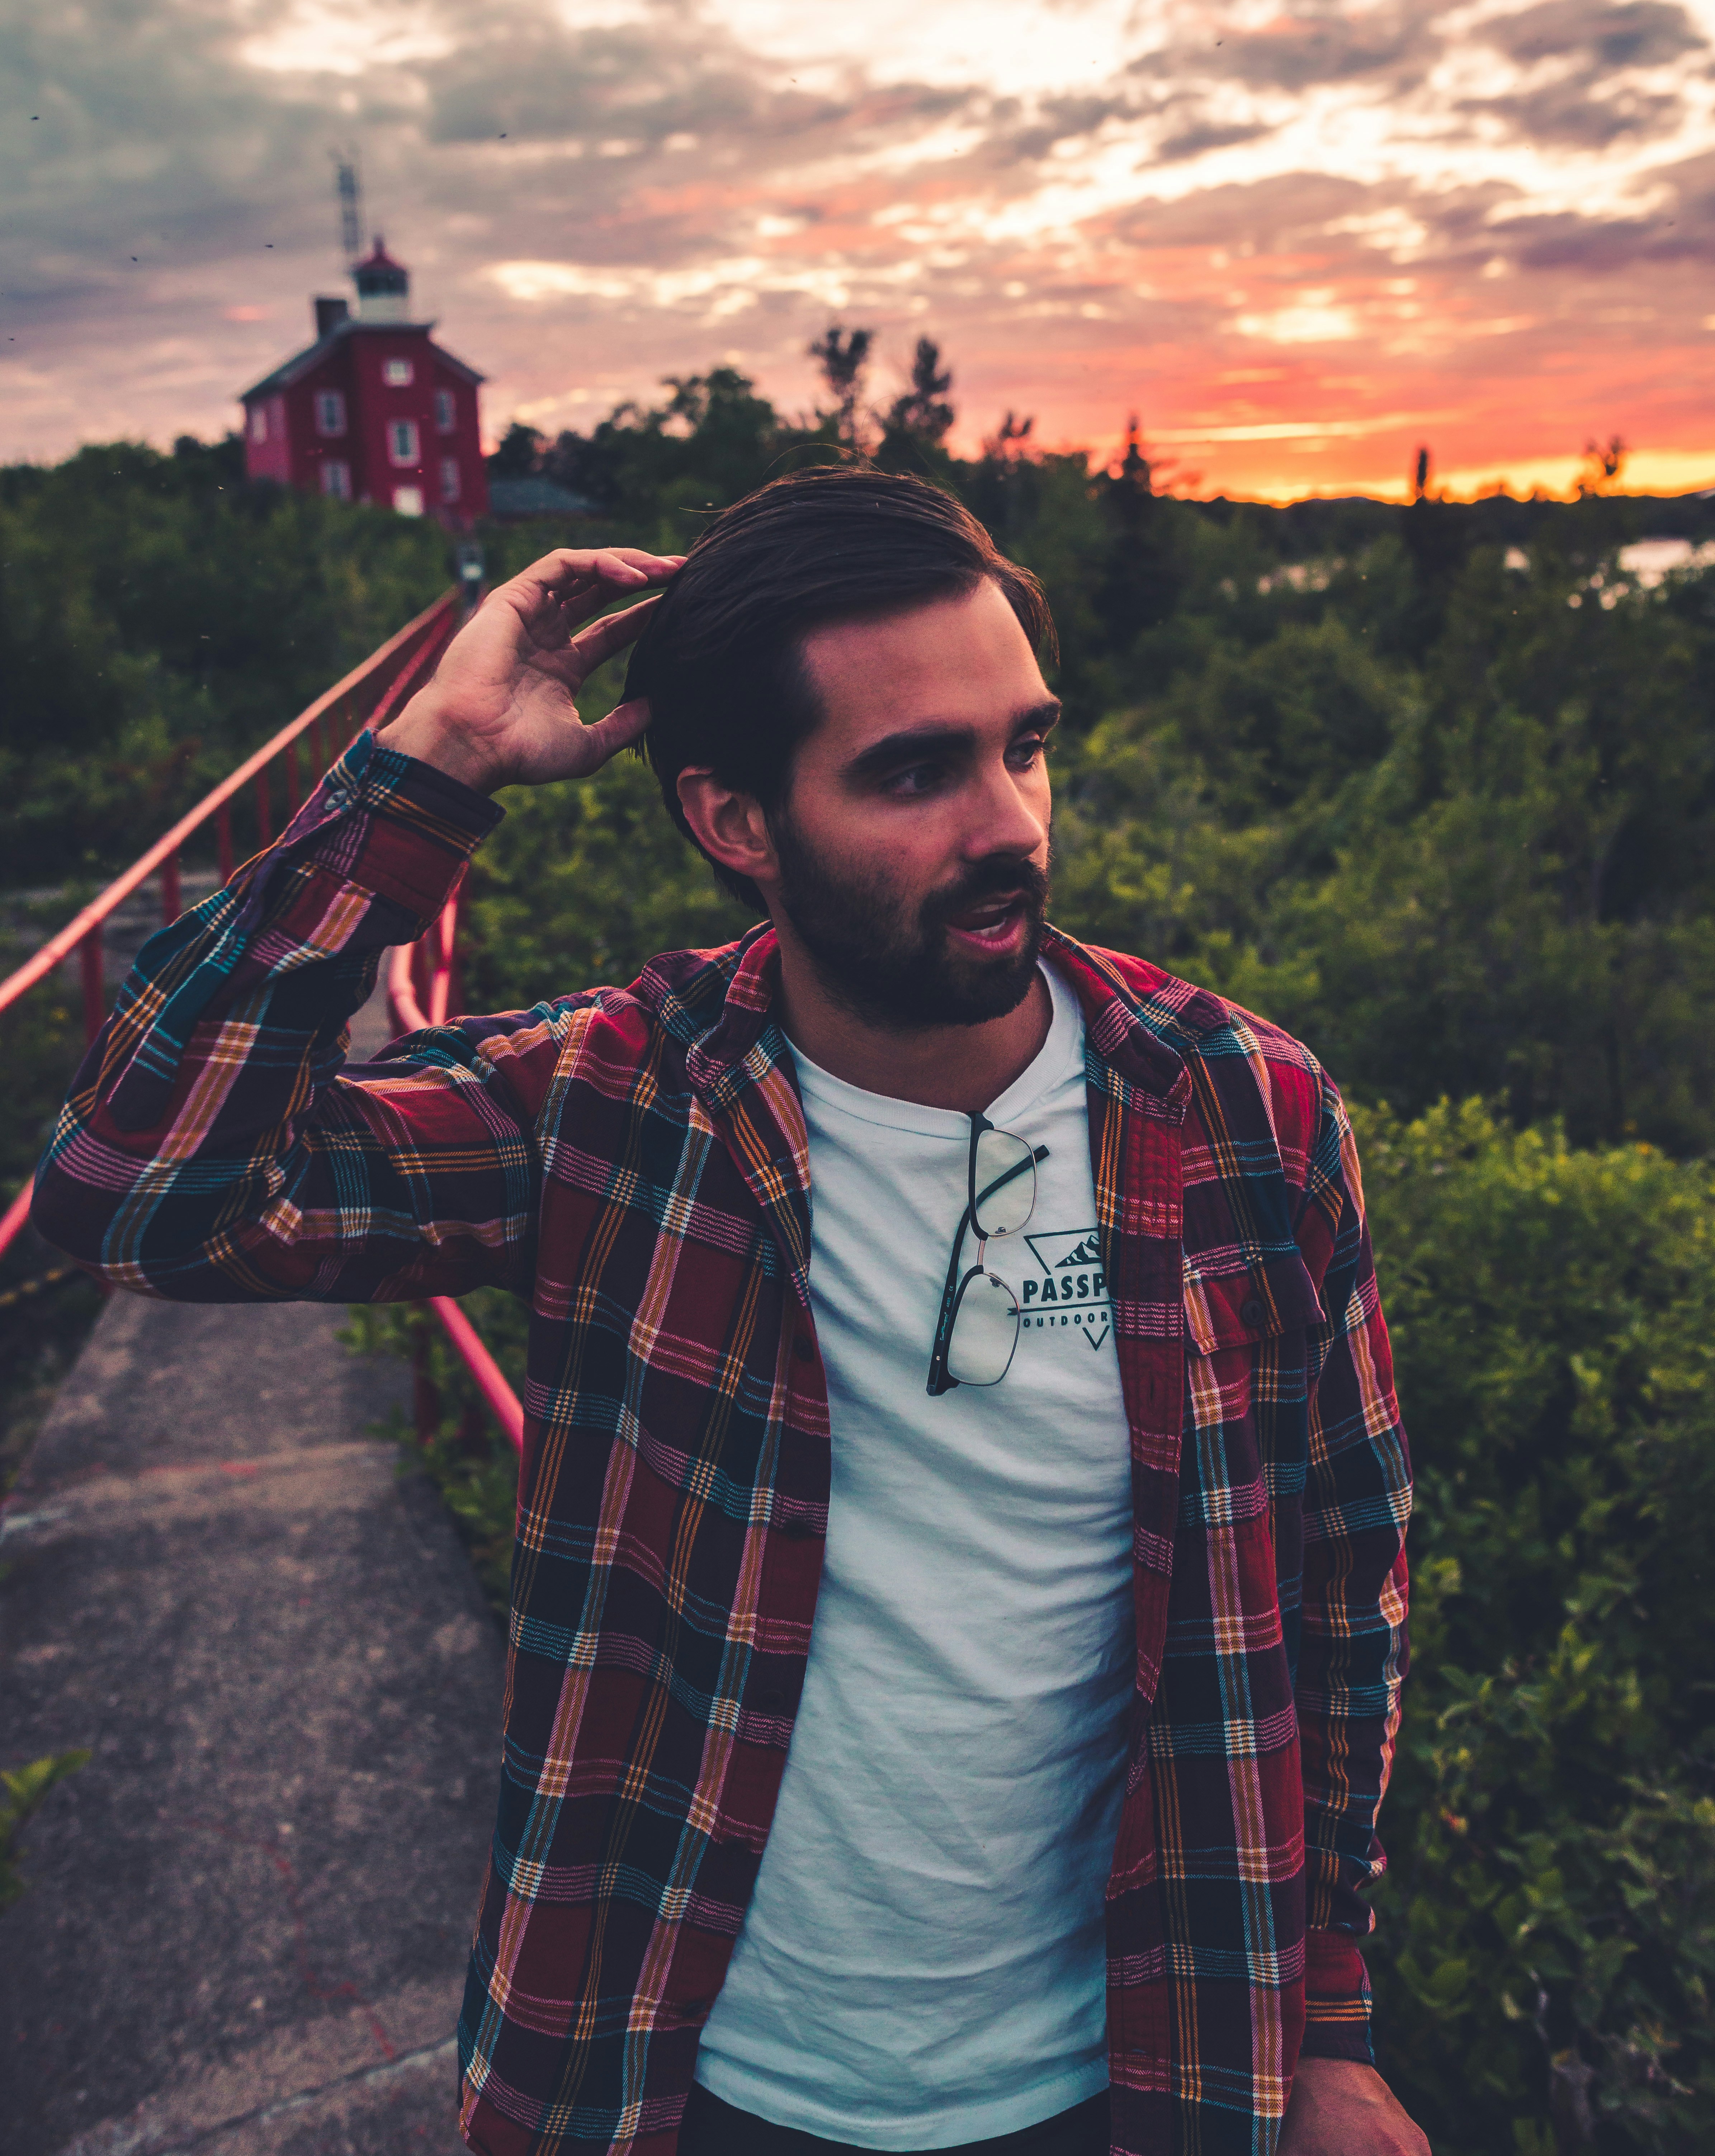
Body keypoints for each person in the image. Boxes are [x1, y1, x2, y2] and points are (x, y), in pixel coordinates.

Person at [35, 469, 1422, 2156]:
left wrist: (1330, 2025)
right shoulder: (615, 1105)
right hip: (691, 2082)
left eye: (1022, 743)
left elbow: (1347, 1576)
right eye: (913, 770)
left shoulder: (1241, 1114)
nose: (1009, 823)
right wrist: (432, 767)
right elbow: (140, 1189)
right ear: (734, 822)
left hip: (1138, 2075)